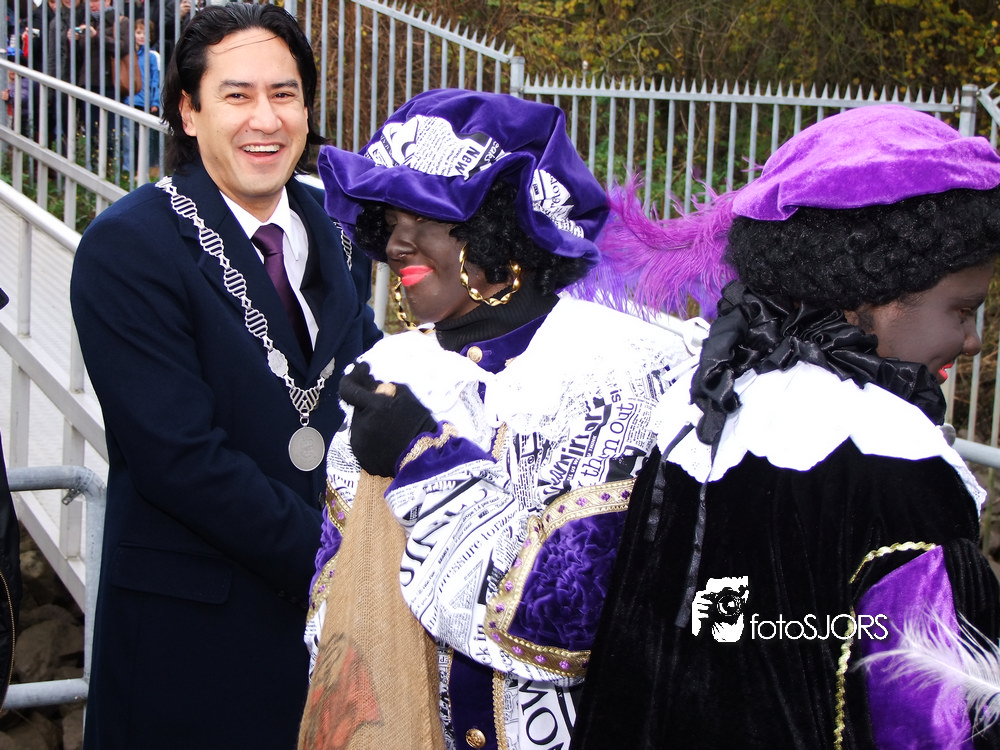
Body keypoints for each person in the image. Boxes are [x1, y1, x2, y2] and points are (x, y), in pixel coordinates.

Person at [301, 89, 726, 750]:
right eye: (390, 217)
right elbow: (335, 606)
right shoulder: (391, 368)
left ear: (506, 227)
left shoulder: (621, 373)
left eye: (428, 216)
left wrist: (422, 459)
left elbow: (561, 619)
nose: (397, 241)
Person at [570, 104, 1000, 749]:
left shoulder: (712, 407)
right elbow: (934, 719)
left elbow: (690, 638)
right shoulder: (894, 463)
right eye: (962, 311)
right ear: (869, 295)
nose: (971, 341)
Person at [69, 4, 381, 749]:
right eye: (237, 95)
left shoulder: (339, 231)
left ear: (308, 108)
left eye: (284, 94)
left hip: (330, 653)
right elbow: (181, 460)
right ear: (188, 109)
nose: (264, 120)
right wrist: (347, 562)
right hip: (192, 649)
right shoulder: (130, 247)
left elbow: (362, 389)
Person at [121, 17, 160, 174]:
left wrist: (155, 102)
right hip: (129, 100)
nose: (142, 36)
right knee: (128, 137)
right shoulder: (127, 54)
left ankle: (144, 170)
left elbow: (156, 80)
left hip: (146, 102)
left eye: (145, 33)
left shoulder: (152, 56)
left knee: (145, 138)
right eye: (138, 32)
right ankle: (128, 169)